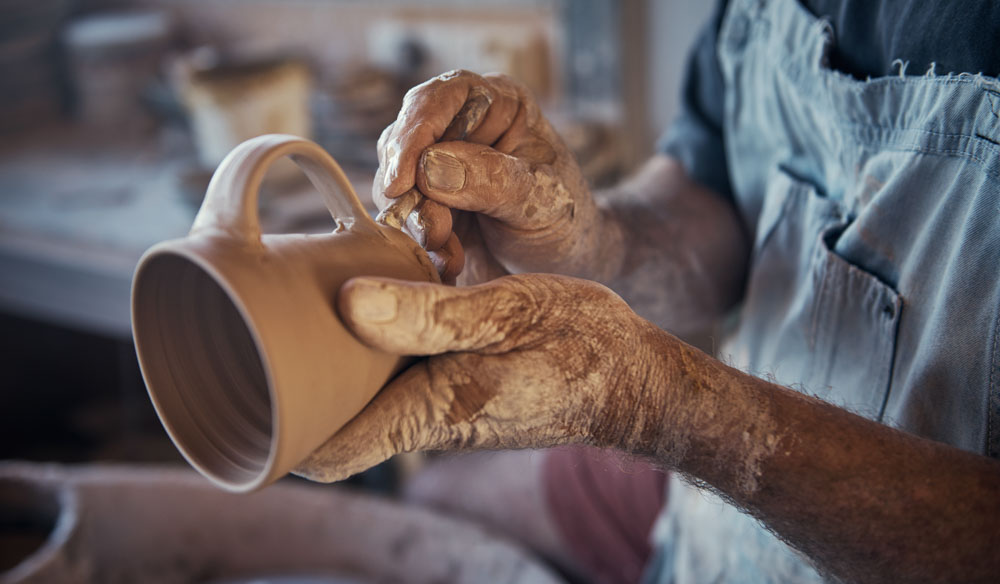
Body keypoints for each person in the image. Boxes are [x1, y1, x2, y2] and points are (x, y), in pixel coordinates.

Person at [297, 0, 1000, 582]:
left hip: (763, 468)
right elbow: (719, 193)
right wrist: (594, 240)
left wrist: (654, 409)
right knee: (432, 492)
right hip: (707, 515)